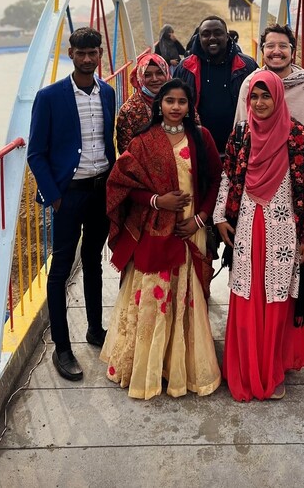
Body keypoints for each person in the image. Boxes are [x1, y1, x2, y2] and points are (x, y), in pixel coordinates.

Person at [101, 79, 223, 399]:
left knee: (187, 296)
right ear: (159, 104)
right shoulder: (143, 141)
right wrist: (158, 201)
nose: (175, 107)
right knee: (154, 296)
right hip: (155, 230)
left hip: (190, 229)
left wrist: (201, 218)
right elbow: (121, 185)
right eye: (169, 101)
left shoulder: (201, 137)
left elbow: (215, 180)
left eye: (182, 101)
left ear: (190, 105)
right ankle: (150, 368)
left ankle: (180, 367)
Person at [214, 70, 304, 401]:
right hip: (247, 225)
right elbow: (229, 175)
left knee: (276, 297)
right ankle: (246, 369)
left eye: (267, 96)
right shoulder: (241, 134)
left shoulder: (295, 135)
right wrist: (220, 216)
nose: (260, 103)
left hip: (282, 229)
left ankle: (271, 369)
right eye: (254, 97)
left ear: (278, 98)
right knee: (247, 296)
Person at [234, 23, 304, 354]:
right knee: (260, 265)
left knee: (303, 260)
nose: (276, 51)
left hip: (299, 178)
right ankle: (256, 326)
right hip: (259, 186)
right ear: (262, 51)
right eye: (270, 46)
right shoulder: (251, 83)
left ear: (293, 50)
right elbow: (240, 133)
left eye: (283, 46)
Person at [27, 27, 116, 382]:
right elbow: (36, 153)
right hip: (69, 195)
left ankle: (95, 330)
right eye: (81, 53)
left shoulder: (108, 93)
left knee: (94, 261)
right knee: (61, 269)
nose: (87, 59)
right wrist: (56, 197)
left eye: (92, 53)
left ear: (99, 55)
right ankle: (62, 348)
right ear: (70, 54)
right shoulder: (49, 97)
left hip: (100, 191)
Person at [173, 15, 258, 155]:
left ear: (227, 36)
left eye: (218, 33)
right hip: (198, 148)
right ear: (199, 38)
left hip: (241, 148)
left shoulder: (247, 66)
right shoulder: (185, 68)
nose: (212, 38)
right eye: (206, 34)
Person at [116, 51, 169, 154]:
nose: (154, 79)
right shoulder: (129, 111)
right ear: (140, 77)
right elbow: (127, 154)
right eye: (147, 75)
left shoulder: (179, 101)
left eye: (159, 73)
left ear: (167, 73)